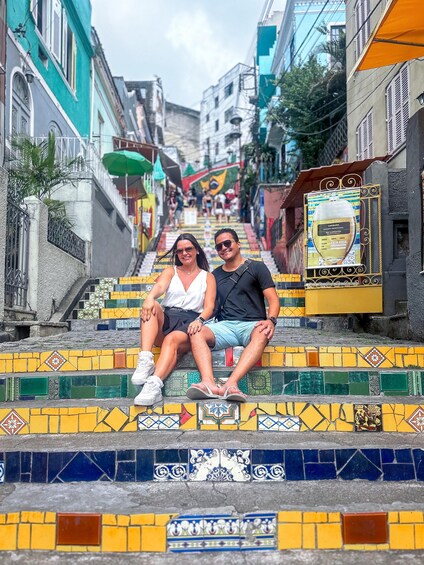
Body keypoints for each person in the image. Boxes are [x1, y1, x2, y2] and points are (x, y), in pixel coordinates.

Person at [187, 228, 280, 402]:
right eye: (219, 246)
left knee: (262, 333)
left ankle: (231, 384)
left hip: (252, 325)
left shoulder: (257, 267)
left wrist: (271, 320)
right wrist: (198, 320)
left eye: (227, 243)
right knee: (196, 332)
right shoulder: (215, 275)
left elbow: (273, 299)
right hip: (225, 326)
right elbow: (210, 305)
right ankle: (208, 383)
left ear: (238, 244)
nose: (224, 248)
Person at [131, 234, 216, 406]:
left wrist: (199, 320)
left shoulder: (207, 277)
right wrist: (149, 298)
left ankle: (153, 385)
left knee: (172, 339)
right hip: (168, 317)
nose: (184, 253)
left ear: (197, 250)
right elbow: (160, 286)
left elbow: (209, 306)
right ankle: (146, 359)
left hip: (190, 322)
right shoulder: (171, 271)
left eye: (188, 249)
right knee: (153, 305)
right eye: (180, 251)